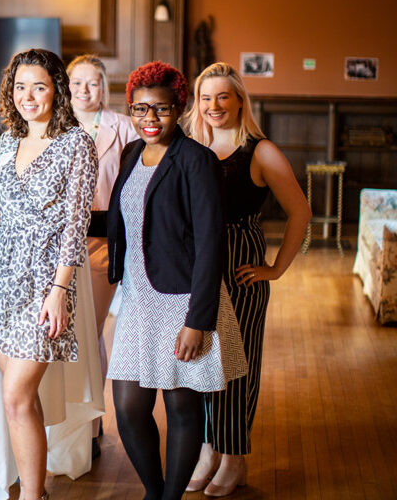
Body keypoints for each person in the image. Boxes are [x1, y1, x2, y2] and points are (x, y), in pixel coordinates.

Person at [96, 61, 247, 500]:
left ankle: (170, 498)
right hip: (138, 299)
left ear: (179, 107)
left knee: (182, 407)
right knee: (128, 407)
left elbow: (211, 244)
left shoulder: (196, 160)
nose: (149, 119)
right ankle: (154, 490)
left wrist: (198, 321)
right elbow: (125, 217)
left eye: (159, 109)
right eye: (140, 110)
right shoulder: (130, 154)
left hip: (182, 301)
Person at [184, 62, 311, 496]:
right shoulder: (189, 145)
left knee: (237, 363)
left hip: (239, 260)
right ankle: (208, 449)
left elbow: (301, 211)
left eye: (223, 96)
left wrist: (276, 268)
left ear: (240, 101)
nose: (214, 105)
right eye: (206, 97)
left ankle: (234, 456)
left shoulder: (259, 151)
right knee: (199, 357)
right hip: (195, 261)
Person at [0, 48, 98, 500]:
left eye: (40, 86)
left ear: (57, 90)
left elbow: (76, 223)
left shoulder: (76, 144)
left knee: (16, 396)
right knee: (19, 399)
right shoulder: (6, 138)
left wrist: (59, 290)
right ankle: (35, 488)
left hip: (46, 278)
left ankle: (30, 496)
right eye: (20, 86)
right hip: (1, 275)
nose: (29, 96)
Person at [66, 54, 137, 457]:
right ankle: (70, 419)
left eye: (93, 83)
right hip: (60, 241)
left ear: (103, 87)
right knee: (68, 332)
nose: (84, 91)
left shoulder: (123, 127)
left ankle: (91, 420)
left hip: (104, 239)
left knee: (89, 331)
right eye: (77, 82)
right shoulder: (54, 125)